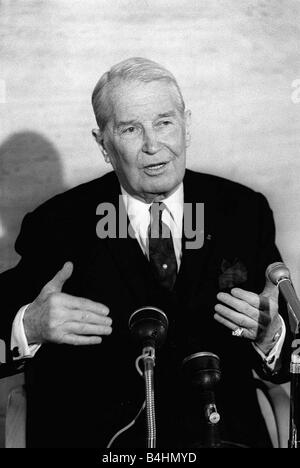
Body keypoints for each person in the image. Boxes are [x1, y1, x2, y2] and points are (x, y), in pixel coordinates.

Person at [0, 57, 292, 448]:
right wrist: (30, 325)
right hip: (104, 441)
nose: (154, 145)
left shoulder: (244, 210)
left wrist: (271, 334)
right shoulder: (56, 223)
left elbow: (286, 351)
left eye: (164, 122)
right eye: (131, 129)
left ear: (187, 126)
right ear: (103, 143)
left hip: (221, 434)